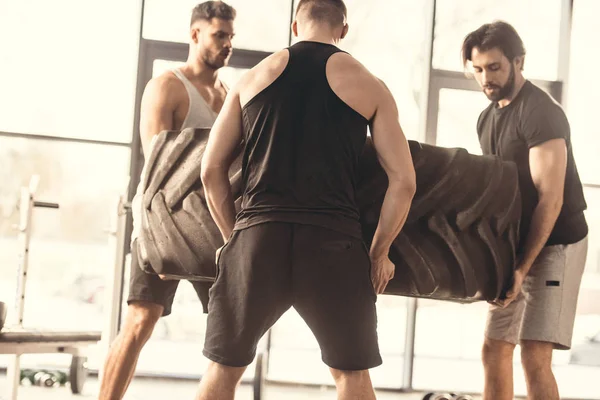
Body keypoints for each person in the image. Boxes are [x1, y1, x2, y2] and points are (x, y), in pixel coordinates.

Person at [197, 1, 416, 399]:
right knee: (351, 375)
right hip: (334, 242)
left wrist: (235, 240)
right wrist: (378, 253)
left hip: (258, 239)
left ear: (295, 24)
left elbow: (210, 170)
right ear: (343, 29)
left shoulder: (252, 78)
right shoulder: (370, 85)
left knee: (224, 368)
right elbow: (404, 181)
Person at [98, 2, 236, 399]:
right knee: (142, 319)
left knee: (230, 328)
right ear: (195, 35)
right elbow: (156, 170)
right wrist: (158, 238)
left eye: (230, 37)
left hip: (210, 229)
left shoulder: (229, 96)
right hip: (162, 222)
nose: (227, 44)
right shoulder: (168, 86)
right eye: (219, 35)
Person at [461, 21, 589, 400]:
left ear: (518, 61)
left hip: (557, 244)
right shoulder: (488, 118)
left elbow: (550, 200)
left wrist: (520, 269)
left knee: (534, 355)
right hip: (516, 245)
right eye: (478, 69)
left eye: (495, 67)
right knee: (495, 347)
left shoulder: (540, 113)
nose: (486, 78)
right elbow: (501, 195)